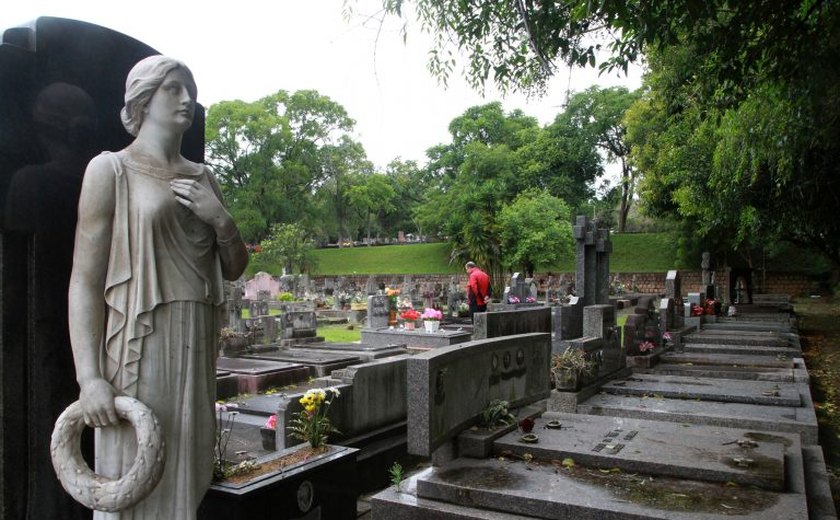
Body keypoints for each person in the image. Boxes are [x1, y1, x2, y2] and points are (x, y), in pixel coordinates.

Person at [68, 55, 248, 519]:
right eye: (173, 88)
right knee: (134, 472)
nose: (187, 99)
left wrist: (221, 219)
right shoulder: (111, 171)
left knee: (185, 471)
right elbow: (85, 283)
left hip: (195, 339)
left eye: (190, 88)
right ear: (143, 99)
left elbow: (233, 267)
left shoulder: (204, 177)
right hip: (139, 341)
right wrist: (88, 377)